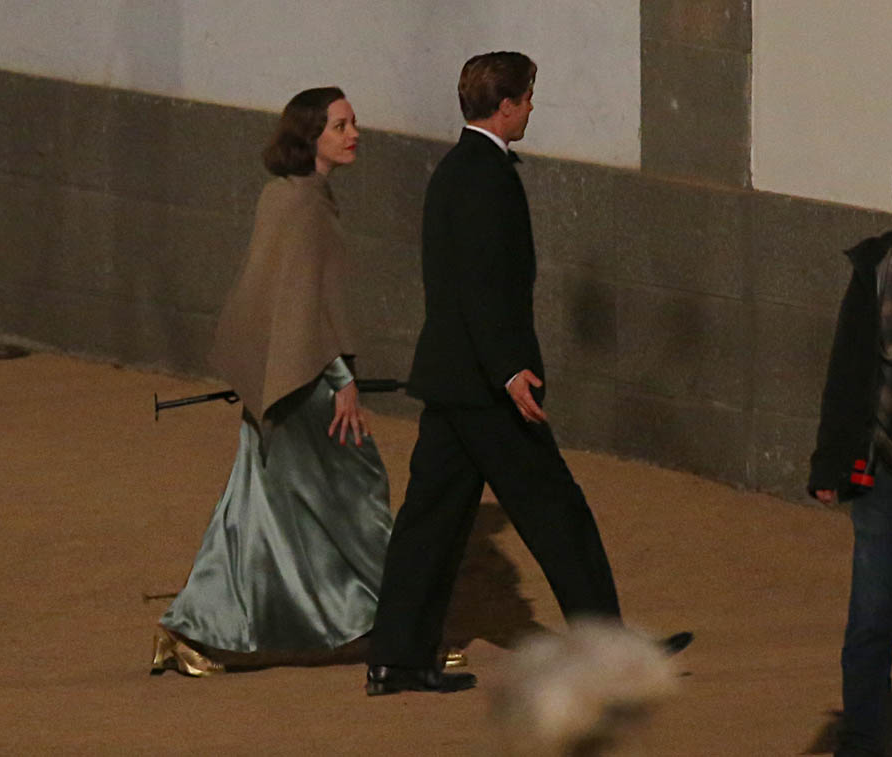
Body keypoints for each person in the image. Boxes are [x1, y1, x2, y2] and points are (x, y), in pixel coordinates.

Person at [366, 51, 691, 696]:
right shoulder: (483, 176)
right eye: (528, 97)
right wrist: (510, 370)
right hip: (489, 389)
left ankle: (395, 658)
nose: (533, 108)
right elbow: (482, 287)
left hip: (457, 380)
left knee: (429, 523)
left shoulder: (456, 170)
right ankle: (609, 652)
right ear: (505, 105)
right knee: (556, 512)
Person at [150, 87, 393, 676]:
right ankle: (399, 627)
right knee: (358, 495)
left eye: (353, 123)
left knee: (254, 509)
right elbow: (309, 304)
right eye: (340, 126)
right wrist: (343, 379)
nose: (354, 134)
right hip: (309, 382)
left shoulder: (283, 195)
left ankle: (190, 630)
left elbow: (275, 297)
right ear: (311, 136)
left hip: (282, 375)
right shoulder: (305, 206)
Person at [809, 145, 892, 756]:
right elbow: (849, 370)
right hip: (888, 478)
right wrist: (829, 463)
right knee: (868, 624)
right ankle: (862, 741)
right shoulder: (879, 267)